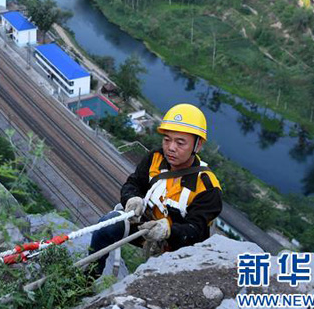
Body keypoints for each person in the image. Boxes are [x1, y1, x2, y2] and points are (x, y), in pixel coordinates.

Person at [88, 103, 222, 277]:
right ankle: (87, 279)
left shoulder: (207, 187)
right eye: (167, 140)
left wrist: (168, 230)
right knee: (106, 226)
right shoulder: (155, 159)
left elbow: (196, 230)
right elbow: (133, 183)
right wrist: (132, 199)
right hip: (146, 226)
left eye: (180, 142)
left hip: (178, 246)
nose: (171, 148)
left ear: (198, 146)